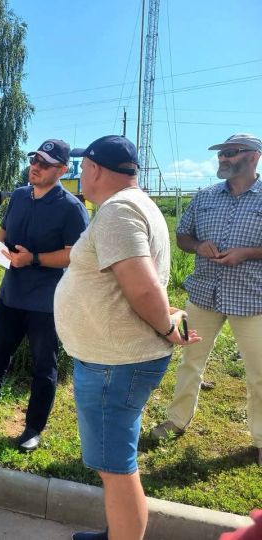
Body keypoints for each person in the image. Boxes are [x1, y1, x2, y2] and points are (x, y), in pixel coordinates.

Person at [54, 135, 201, 540]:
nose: (78, 172)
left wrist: (168, 327)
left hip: (115, 363)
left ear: (97, 169)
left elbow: (141, 287)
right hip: (115, 359)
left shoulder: (119, 211)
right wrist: (166, 320)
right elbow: (141, 281)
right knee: (116, 460)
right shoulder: (134, 206)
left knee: (116, 468)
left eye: (82, 167)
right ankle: (115, 532)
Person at [0, 139, 89, 452]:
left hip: (46, 302)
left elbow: (72, 255)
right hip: (10, 295)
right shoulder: (21, 196)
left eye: (45, 163)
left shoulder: (71, 208)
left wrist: (32, 259)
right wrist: (4, 252)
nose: (35, 166)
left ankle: (33, 429)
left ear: (62, 170)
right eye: (34, 159)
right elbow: (2, 232)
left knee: (43, 367)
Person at [151, 134, 262, 466]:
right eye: (220, 155)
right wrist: (198, 246)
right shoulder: (205, 197)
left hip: (252, 298)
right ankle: (177, 419)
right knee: (190, 361)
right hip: (204, 295)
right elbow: (183, 236)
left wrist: (248, 253)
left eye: (230, 153)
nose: (222, 159)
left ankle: (260, 438)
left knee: (259, 373)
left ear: (254, 157)